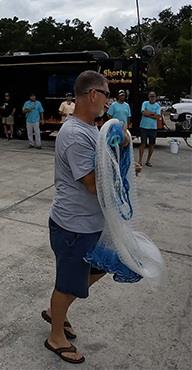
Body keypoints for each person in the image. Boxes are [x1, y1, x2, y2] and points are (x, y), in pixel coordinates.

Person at [44, 70, 121, 364]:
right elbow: (91, 184)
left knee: (100, 267)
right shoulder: (76, 135)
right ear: (93, 95)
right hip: (74, 225)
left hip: (89, 223)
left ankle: (56, 312)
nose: (108, 102)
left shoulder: (91, 129)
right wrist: (118, 175)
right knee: (67, 283)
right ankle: (55, 336)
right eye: (107, 95)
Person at [138, 91, 162, 168]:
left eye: (153, 96)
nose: (152, 98)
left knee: (152, 145)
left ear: (155, 97)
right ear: (148, 97)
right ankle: (140, 161)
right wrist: (153, 114)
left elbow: (158, 117)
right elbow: (143, 113)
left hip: (153, 128)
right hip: (143, 127)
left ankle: (148, 161)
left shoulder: (158, 106)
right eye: (150, 96)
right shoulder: (144, 103)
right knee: (142, 144)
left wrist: (148, 113)